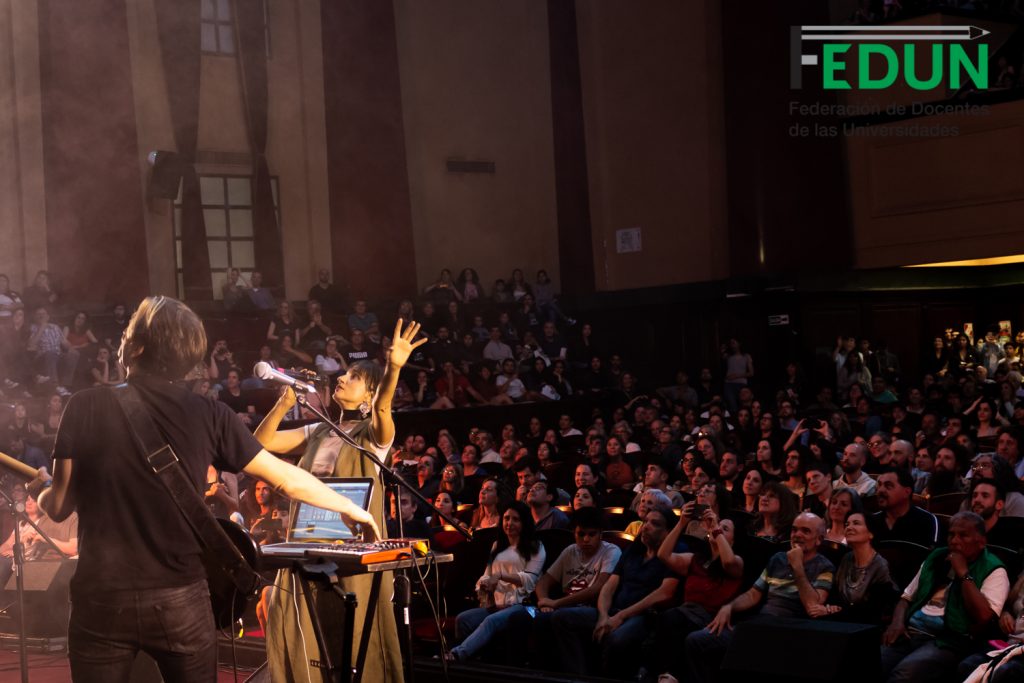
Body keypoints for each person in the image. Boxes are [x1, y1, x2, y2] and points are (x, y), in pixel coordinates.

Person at [31, 296, 380, 683]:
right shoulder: (211, 413)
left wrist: (42, 489)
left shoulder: (84, 405)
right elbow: (285, 477)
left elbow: (59, 506)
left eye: (128, 333)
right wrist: (351, 509)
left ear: (138, 346)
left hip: (101, 597)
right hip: (180, 597)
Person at [254, 317, 428, 683]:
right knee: (298, 621)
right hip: (308, 538)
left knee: (351, 629)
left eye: (353, 377)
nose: (341, 379)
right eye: (342, 374)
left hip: (352, 545)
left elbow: (383, 409)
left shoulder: (374, 435)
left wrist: (393, 367)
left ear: (368, 395)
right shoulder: (318, 429)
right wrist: (284, 404)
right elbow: (263, 443)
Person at [682, 512, 834, 683]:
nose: (797, 535)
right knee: (696, 641)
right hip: (760, 623)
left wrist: (798, 567)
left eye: (805, 531)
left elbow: (813, 606)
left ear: (819, 540)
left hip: (791, 630)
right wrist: (729, 607)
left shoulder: (824, 567)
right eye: (794, 530)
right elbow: (753, 594)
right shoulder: (777, 559)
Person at [552, 505, 682, 678]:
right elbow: (609, 586)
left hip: (644, 616)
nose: (646, 526)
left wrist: (621, 616)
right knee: (562, 618)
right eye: (645, 522)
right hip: (613, 611)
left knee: (618, 639)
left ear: (668, 532)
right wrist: (604, 615)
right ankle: (579, 677)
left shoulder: (676, 552)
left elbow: (665, 593)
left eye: (655, 524)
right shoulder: (634, 551)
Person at [880, 512, 1010, 683]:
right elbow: (906, 598)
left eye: (963, 535)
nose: (954, 541)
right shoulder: (936, 557)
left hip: (949, 641)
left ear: (981, 542)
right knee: (872, 664)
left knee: (904, 674)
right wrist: (896, 623)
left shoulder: (994, 570)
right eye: (951, 534)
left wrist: (963, 573)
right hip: (911, 632)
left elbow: (984, 616)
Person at [654, 507, 743, 682]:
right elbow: (663, 555)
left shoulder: (736, 561)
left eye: (725, 529)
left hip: (711, 618)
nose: (717, 529)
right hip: (686, 613)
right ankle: (666, 675)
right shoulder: (696, 559)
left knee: (671, 620)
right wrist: (681, 523)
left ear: (733, 540)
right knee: (667, 619)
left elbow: (729, 561)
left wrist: (716, 528)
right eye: (718, 527)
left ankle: (669, 676)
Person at [448, 501, 545, 662]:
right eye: (506, 518)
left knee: (490, 621)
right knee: (463, 619)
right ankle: (475, 661)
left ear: (524, 522)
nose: (509, 523)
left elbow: (530, 579)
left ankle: (458, 655)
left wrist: (500, 576)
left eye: (515, 519)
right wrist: (484, 586)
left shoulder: (536, 546)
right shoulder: (498, 545)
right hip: (497, 605)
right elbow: (487, 575)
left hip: (525, 606)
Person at [812, 511, 899, 624]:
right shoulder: (846, 559)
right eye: (847, 524)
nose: (849, 527)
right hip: (843, 621)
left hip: (867, 625)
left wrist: (835, 611)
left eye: (856, 523)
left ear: (870, 534)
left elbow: (874, 610)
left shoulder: (880, 566)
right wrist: (831, 608)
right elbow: (835, 595)